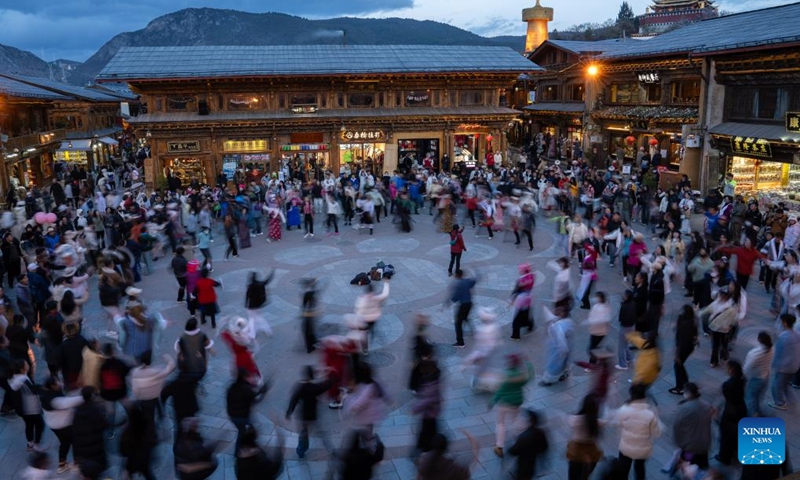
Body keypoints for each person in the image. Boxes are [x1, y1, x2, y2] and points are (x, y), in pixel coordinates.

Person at [613, 384, 663, 480]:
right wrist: (656, 415)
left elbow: (617, 423)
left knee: (623, 471)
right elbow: (657, 433)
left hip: (625, 447)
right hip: (642, 450)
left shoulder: (624, 410)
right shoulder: (650, 414)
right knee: (640, 470)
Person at [489, 353, 533, 458]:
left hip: (504, 403)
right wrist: (528, 363)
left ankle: (499, 447)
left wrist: (492, 401)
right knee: (515, 420)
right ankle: (524, 434)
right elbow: (531, 375)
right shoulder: (522, 376)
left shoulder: (505, 376)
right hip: (516, 403)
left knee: (500, 423)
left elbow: (500, 391)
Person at [285, 365, 333, 459]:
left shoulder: (300, 387)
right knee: (321, 433)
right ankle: (329, 448)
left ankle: (301, 451)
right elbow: (327, 385)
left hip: (303, 416)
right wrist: (330, 374)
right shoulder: (315, 387)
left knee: (303, 434)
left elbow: (293, 400)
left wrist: (289, 412)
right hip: (313, 415)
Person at [40, 375, 84, 473]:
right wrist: (84, 396)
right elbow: (68, 402)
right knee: (74, 442)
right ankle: (76, 463)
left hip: (54, 425)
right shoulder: (55, 400)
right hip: (63, 425)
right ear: (52, 386)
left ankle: (62, 465)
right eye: (57, 382)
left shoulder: (46, 394)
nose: (60, 383)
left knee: (65, 443)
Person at [667, 382, 712, 473]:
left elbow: (677, 428)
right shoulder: (706, 406)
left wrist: (679, 444)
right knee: (702, 467)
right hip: (704, 444)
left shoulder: (683, 409)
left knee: (688, 466)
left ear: (687, 393)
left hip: (690, 447)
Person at [72, 386, 109, 480]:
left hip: (82, 451)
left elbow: (74, 432)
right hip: (95, 450)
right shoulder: (97, 409)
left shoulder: (77, 411)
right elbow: (104, 425)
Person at [226, 368, 268, 451]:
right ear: (245, 378)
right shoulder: (246, 389)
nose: (252, 378)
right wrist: (263, 392)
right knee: (245, 433)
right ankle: (241, 450)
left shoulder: (233, 386)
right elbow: (255, 399)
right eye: (250, 376)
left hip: (232, 415)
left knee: (242, 431)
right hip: (242, 416)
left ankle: (244, 448)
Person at [9, 360, 45, 452]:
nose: (28, 364)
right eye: (26, 364)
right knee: (40, 424)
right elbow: (33, 390)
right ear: (22, 369)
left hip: (24, 409)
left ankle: (30, 444)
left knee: (29, 425)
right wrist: (44, 386)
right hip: (31, 407)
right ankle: (36, 444)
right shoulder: (23, 379)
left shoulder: (15, 378)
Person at [717, 360, 747, 465]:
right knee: (737, 432)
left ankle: (724, 456)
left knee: (726, 435)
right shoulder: (742, 379)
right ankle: (736, 450)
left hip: (731, 411)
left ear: (732, 370)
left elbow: (726, 395)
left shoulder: (728, 384)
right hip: (741, 408)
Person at [566, 395, 603, 480]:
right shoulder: (596, 422)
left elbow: (569, 420)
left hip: (576, 451)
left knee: (573, 476)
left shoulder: (575, 420)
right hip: (591, 452)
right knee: (585, 476)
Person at [98, 343, 130, 440]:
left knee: (111, 414)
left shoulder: (102, 365)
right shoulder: (119, 363)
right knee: (129, 409)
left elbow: (100, 379)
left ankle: (110, 433)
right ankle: (133, 424)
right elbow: (127, 371)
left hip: (108, 395)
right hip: (120, 392)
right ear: (112, 351)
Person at [119, 402, 158, 480]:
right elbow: (152, 440)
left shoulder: (128, 431)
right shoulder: (146, 426)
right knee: (147, 472)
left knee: (128, 473)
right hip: (144, 456)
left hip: (132, 459)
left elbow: (123, 448)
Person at [769, 313, 800, 410]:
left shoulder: (783, 337)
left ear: (785, 323)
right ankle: (792, 401)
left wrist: (773, 365)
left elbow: (778, 353)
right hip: (794, 365)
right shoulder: (797, 335)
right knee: (786, 384)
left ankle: (780, 403)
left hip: (784, 366)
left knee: (776, 385)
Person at [539, 305, 575, 386]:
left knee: (554, 365)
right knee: (564, 363)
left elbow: (561, 342)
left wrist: (562, 351)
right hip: (565, 346)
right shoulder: (568, 322)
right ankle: (563, 373)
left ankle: (548, 381)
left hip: (558, 349)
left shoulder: (559, 326)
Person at [353, 278, 390, 354]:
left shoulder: (361, 299)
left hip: (364, 320)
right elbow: (385, 295)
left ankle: (365, 350)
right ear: (373, 291)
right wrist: (386, 284)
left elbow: (357, 309)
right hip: (374, 319)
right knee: (372, 328)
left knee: (364, 334)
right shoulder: (376, 298)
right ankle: (373, 334)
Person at [669, 305, 698, 395]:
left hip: (684, 347)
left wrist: (677, 354)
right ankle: (685, 382)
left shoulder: (684, 325)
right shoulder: (693, 321)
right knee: (680, 365)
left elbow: (681, 341)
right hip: (689, 347)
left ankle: (680, 387)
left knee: (678, 365)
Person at [744, 331, 773, 417]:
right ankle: (757, 411)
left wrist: (744, 375)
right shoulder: (771, 349)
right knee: (757, 397)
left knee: (749, 398)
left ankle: (752, 415)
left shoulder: (756, 353)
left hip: (756, 378)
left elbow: (748, 366)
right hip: (766, 376)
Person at [447, 269, 477, 348]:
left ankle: (460, 342)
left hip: (463, 305)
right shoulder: (467, 281)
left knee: (458, 323)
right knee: (466, 317)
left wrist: (449, 302)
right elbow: (474, 281)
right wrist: (474, 272)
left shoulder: (458, 284)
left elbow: (456, 297)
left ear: (456, 275)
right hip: (469, 304)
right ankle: (474, 332)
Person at [509, 263, 535, 340]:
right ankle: (530, 325)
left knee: (517, 318)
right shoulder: (531, 277)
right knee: (525, 313)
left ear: (523, 271)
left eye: (520, 269)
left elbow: (516, 291)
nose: (519, 271)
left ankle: (515, 336)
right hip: (528, 298)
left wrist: (511, 300)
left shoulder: (521, 281)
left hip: (521, 299)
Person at [583, 291, 610, 364]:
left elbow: (592, 318)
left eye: (597, 297)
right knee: (595, 348)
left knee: (591, 349)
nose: (596, 299)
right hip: (601, 331)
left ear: (600, 298)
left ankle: (593, 364)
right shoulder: (605, 307)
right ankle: (598, 360)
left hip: (596, 332)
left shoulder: (598, 307)